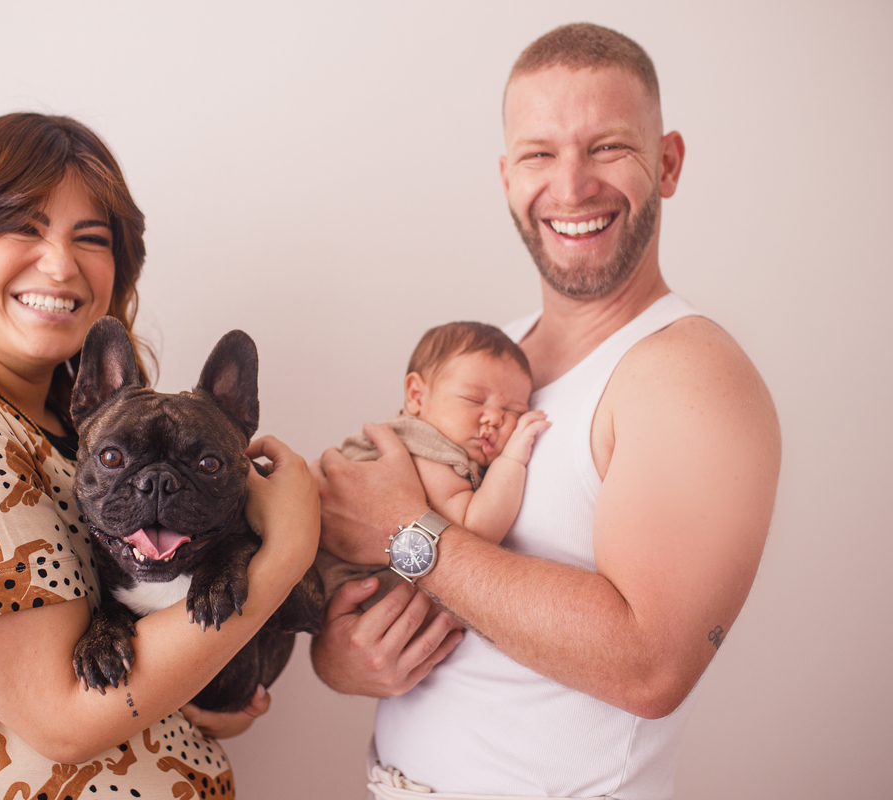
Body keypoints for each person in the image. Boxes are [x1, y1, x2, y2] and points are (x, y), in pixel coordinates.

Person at [310, 23, 781, 800]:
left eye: (607, 148)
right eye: (539, 154)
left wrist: (404, 534)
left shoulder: (689, 376)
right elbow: (398, 602)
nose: (570, 187)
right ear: (506, 177)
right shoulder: (493, 366)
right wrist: (342, 656)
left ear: (667, 164)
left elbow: (651, 665)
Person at [0, 112, 320, 799]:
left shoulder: (55, 425)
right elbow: (63, 721)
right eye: (24, 226)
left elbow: (124, 682)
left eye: (90, 238)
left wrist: (202, 693)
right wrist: (287, 550)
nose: (59, 263)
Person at [316, 321, 549, 606]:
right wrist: (512, 459)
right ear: (417, 396)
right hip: (355, 588)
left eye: (513, 411)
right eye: (474, 399)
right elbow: (476, 530)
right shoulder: (428, 448)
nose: (494, 419)